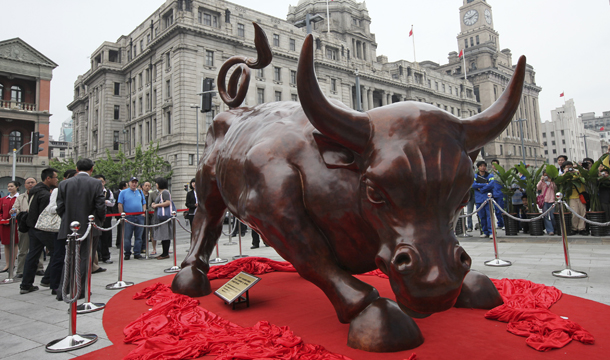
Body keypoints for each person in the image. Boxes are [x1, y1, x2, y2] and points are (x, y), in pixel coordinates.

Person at [55, 159, 106, 300]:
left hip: (69, 226)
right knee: (85, 257)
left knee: (69, 258)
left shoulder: (64, 183)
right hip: (89, 226)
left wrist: (67, 220)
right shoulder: (96, 183)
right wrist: (99, 221)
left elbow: (59, 207)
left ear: (76, 168)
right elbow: (100, 205)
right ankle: (79, 290)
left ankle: (63, 290)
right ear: (92, 169)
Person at [19, 168, 59, 294]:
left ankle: (26, 284)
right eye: (55, 177)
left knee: (33, 255)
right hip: (43, 228)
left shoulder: (35, 191)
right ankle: (48, 279)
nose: (57, 180)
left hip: (32, 227)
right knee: (57, 253)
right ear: (48, 178)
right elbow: (47, 214)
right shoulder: (45, 195)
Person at [10, 177, 43, 279]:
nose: (30, 184)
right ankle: (20, 270)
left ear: (36, 183)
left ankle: (39, 267)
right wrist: (14, 211)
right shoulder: (21, 197)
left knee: (38, 248)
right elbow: (16, 208)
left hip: (37, 225)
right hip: (24, 225)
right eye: (28, 183)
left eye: (32, 182)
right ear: (25, 185)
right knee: (23, 249)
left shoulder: (40, 195)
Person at [118, 177, 146, 260]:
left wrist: (143, 212)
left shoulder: (140, 192)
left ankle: (137, 252)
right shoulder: (123, 192)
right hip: (128, 216)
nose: (134, 184)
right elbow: (120, 204)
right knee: (127, 236)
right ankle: (127, 253)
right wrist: (122, 214)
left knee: (139, 236)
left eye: (135, 182)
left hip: (139, 216)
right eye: (132, 182)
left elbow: (143, 203)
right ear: (129, 183)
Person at [93, 175, 114, 264]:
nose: (100, 183)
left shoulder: (108, 192)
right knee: (96, 238)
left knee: (106, 237)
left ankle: (106, 256)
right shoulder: (92, 191)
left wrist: (105, 201)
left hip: (106, 217)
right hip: (95, 217)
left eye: (101, 181)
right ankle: (97, 256)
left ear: (104, 182)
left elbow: (113, 203)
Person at [151, 177, 173, 260]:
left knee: (165, 235)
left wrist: (156, 205)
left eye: (157, 183)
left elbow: (168, 202)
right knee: (163, 235)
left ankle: (165, 253)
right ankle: (164, 252)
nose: (156, 185)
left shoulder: (165, 192)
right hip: (160, 217)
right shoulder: (160, 193)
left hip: (164, 217)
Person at [564, 161, 588, 236]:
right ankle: (574, 228)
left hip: (581, 196)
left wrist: (577, 170)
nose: (569, 169)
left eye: (570, 167)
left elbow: (584, 178)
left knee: (582, 212)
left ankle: (581, 228)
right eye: (567, 167)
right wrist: (565, 173)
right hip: (571, 197)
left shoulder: (577, 173)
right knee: (574, 213)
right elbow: (560, 182)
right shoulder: (565, 176)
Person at [1, 181, 19, 272]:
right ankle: (7, 264)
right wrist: (2, 219)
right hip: (5, 224)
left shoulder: (19, 198)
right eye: (8, 186)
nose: (9, 188)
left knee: (14, 243)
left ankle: (12, 264)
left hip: (15, 224)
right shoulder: (3, 199)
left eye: (12, 186)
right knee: (6, 244)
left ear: (17, 187)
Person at [472, 161, 494, 238]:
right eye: (481, 166)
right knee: (482, 216)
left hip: (488, 199)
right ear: (478, 167)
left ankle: (491, 232)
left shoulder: (490, 175)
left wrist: (481, 189)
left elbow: (491, 184)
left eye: (484, 166)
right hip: (479, 199)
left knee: (489, 216)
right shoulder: (475, 176)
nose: (483, 167)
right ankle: (485, 232)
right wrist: (484, 184)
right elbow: (473, 185)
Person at [536, 171, 557, 235]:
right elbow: (538, 187)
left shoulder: (552, 182)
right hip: (544, 201)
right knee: (546, 216)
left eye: (547, 176)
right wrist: (541, 180)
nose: (546, 177)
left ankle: (555, 229)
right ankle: (550, 230)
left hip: (552, 200)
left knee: (553, 216)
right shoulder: (542, 182)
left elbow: (555, 188)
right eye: (545, 176)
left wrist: (550, 182)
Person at [489, 159, 505, 230]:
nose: (494, 166)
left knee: (501, 209)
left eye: (495, 164)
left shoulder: (501, 174)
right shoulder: (490, 174)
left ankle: (504, 223)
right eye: (493, 164)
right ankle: (499, 223)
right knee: (496, 211)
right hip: (493, 194)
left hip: (500, 194)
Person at [113, 181, 128, 248]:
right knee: (120, 229)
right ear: (124, 187)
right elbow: (115, 204)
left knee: (125, 229)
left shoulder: (126, 193)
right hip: (119, 214)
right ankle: (119, 243)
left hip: (126, 213)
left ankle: (125, 242)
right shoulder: (116, 193)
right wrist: (117, 214)